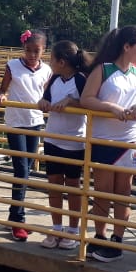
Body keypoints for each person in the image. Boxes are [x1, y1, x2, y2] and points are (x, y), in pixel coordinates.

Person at [79, 25, 136, 263]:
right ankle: (100, 236)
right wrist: (111, 108)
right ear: (127, 46)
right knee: (103, 191)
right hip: (104, 138)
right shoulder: (103, 69)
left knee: (123, 192)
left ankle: (117, 240)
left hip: (130, 139)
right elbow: (86, 99)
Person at [0, 29, 52, 240]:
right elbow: (4, 89)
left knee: (26, 169)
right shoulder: (13, 65)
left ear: (44, 50)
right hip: (16, 122)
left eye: (36, 51)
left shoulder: (47, 70)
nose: (32, 55)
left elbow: (47, 94)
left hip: (35, 122)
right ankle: (17, 219)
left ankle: (16, 216)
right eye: (28, 50)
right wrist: (1, 96)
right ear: (23, 49)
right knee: (21, 170)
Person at [37, 40, 90, 250]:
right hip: (53, 139)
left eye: (51, 59)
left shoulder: (80, 79)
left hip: (74, 141)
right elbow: (46, 99)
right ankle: (56, 227)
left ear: (61, 62)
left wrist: (70, 101)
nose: (49, 63)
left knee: (73, 186)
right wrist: (42, 102)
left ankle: (73, 230)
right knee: (54, 184)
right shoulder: (55, 79)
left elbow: (88, 103)